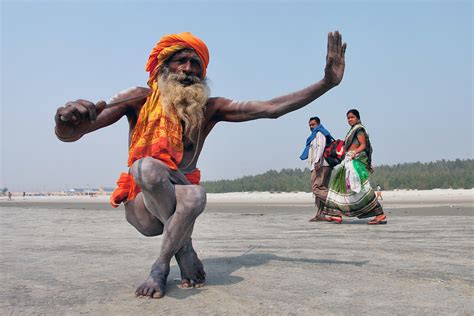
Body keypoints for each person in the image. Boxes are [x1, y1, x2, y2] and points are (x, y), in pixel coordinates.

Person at [54, 31, 346, 298]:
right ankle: (185, 249)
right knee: (146, 167)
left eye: (196, 64)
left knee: (196, 194)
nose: (188, 69)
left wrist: (326, 84)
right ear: (163, 68)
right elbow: (74, 133)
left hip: (184, 199)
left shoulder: (209, 109)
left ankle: (160, 266)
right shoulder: (138, 99)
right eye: (181, 61)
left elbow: (270, 109)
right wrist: (67, 120)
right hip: (142, 207)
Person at [324, 109, 387, 225]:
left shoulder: (359, 130)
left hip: (356, 161)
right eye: (348, 118)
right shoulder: (352, 130)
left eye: (352, 117)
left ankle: (380, 214)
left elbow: (363, 145)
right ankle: (336, 214)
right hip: (349, 160)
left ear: (357, 118)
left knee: (363, 189)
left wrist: (354, 153)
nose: (350, 120)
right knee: (339, 186)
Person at [300, 116, 333, 222]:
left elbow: (321, 147)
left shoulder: (319, 133)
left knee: (316, 188)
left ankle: (335, 202)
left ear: (318, 124)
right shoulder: (314, 134)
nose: (311, 126)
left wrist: (317, 161)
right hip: (319, 164)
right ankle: (320, 214)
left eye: (313, 124)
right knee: (320, 190)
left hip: (321, 165)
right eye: (310, 125)